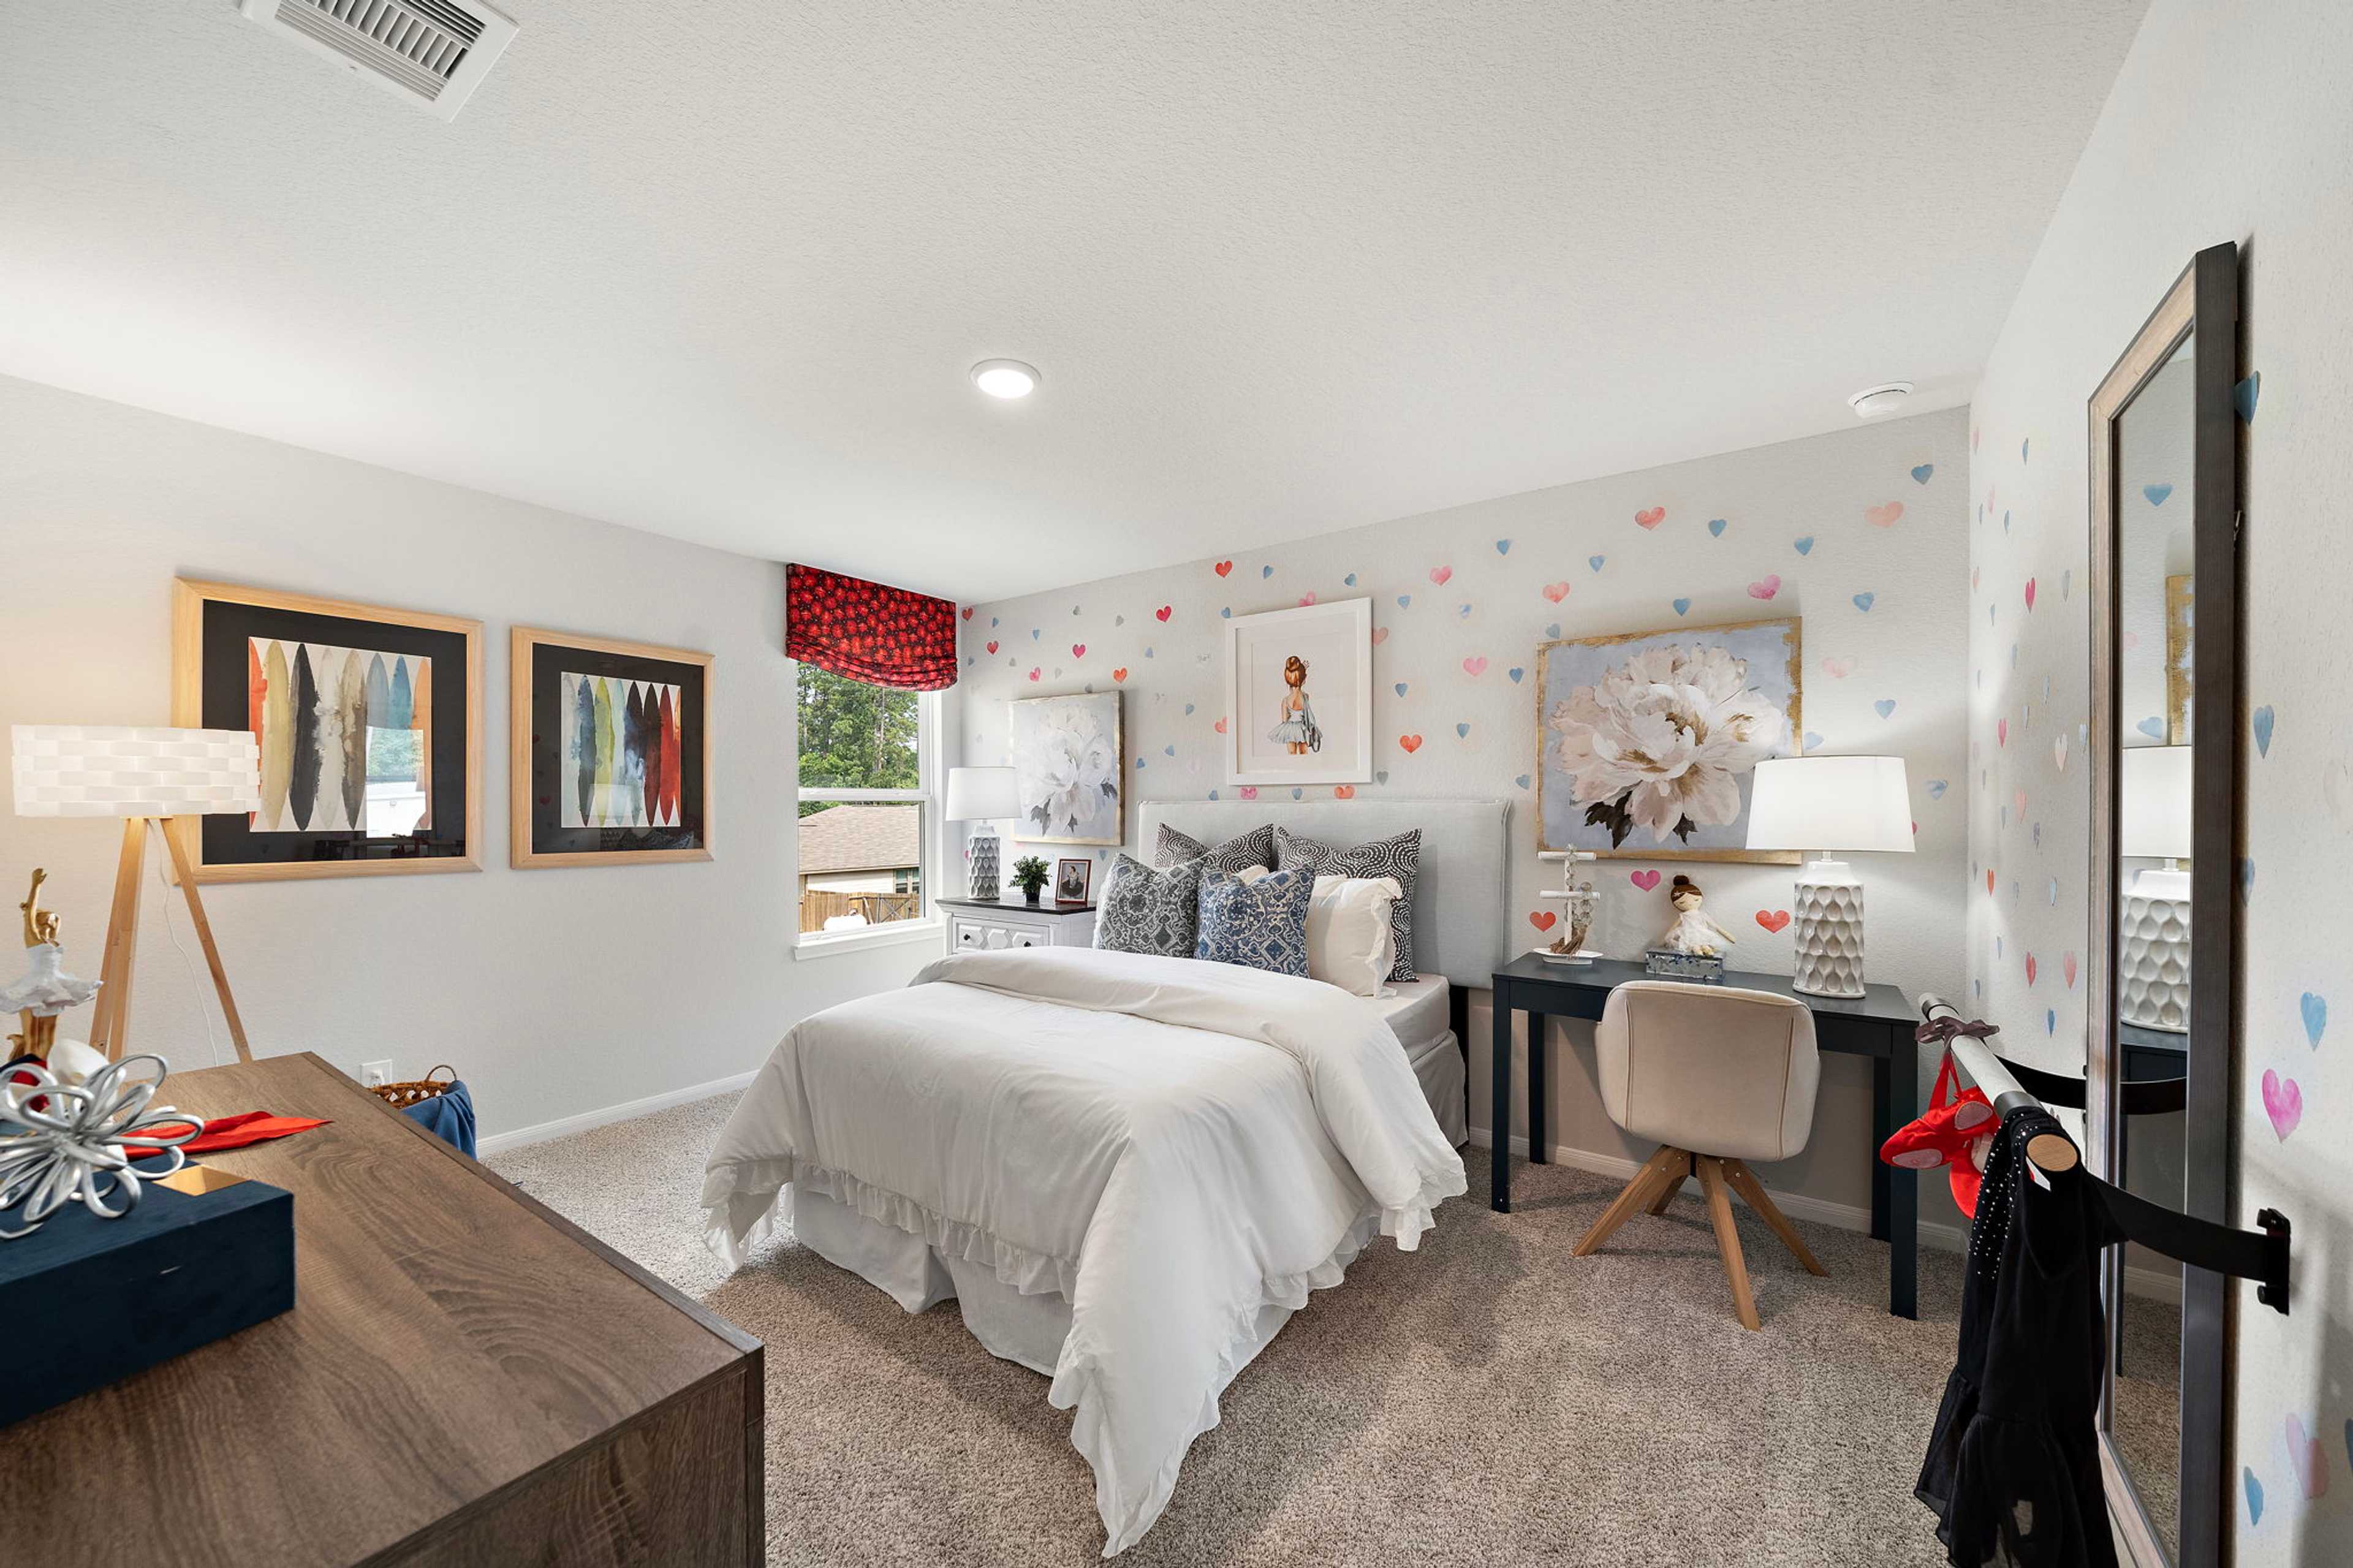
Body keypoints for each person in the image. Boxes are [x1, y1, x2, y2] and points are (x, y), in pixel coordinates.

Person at [1264, 654, 1322, 756]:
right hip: (1303, 729)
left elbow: (1285, 720)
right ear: (1304, 680)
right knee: (1304, 753)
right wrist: (1302, 671)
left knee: (1292, 754)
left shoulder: (1285, 701)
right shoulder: (1306, 697)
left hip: (1290, 730)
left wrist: (1300, 672)